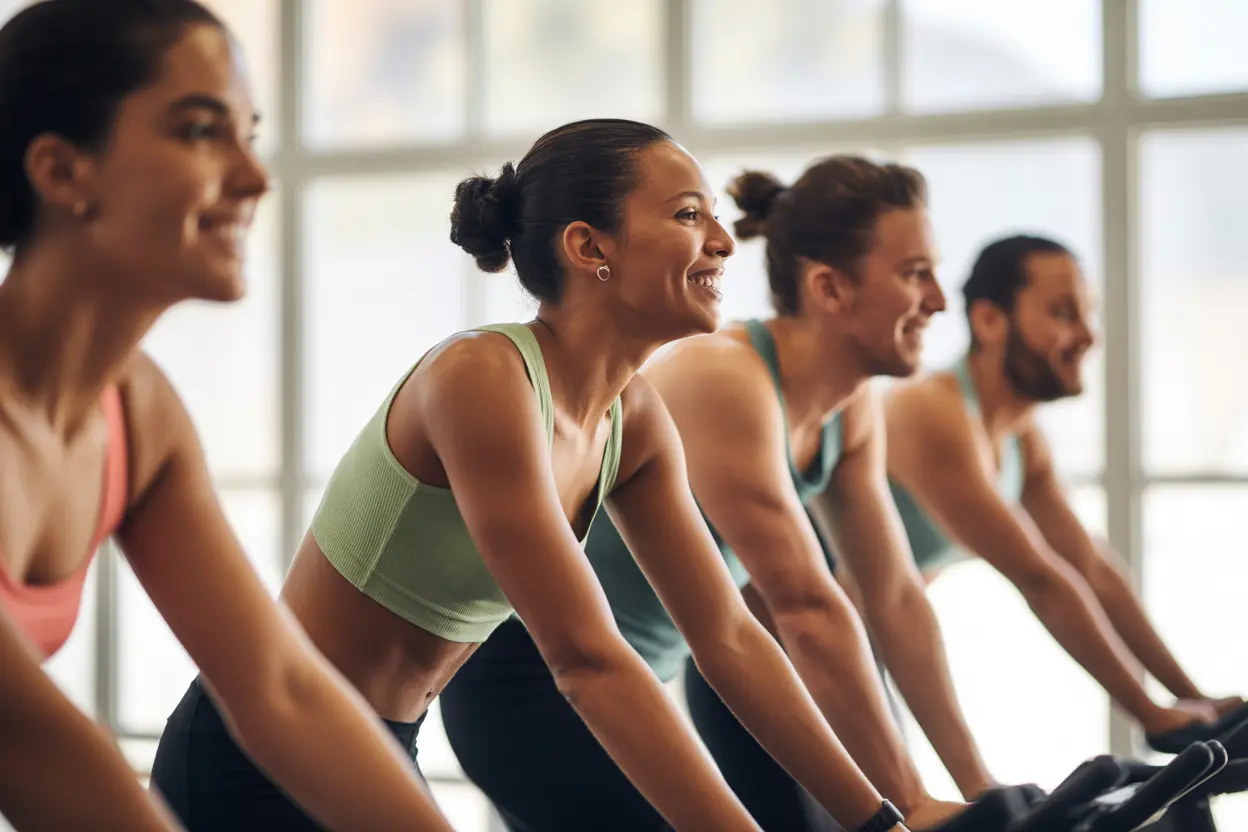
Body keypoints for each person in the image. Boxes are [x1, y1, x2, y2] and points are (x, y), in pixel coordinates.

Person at [152, 119, 911, 832]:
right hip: (257, 746)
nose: (722, 242)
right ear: (589, 246)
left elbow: (729, 637)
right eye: (687, 215)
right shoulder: (482, 376)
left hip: (380, 741)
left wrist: (879, 820)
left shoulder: (634, 421)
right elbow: (585, 659)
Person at [0, 1, 459, 830]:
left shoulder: (138, 415)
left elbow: (278, 688)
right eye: (199, 131)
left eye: (250, 133)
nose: (255, 178)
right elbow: (28, 742)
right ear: (64, 172)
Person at [441, 156, 980, 832]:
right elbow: (805, 609)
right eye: (915, 274)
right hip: (530, 686)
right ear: (828, 288)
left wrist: (973, 788)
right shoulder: (726, 377)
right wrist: (905, 805)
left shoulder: (851, 410)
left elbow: (892, 597)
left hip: (634, 680)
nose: (938, 300)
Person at [884, 234, 1243, 747]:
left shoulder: (1020, 436)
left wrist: (1193, 699)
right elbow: (1039, 577)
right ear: (989, 320)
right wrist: (1150, 714)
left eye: (1086, 314)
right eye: (1062, 313)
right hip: (783, 638)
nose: (1086, 336)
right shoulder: (931, 410)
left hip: (851, 646)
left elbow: (1089, 567)